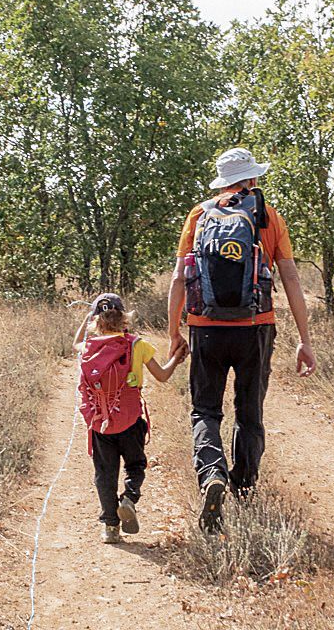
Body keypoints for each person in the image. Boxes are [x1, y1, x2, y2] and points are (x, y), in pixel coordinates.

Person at [167, 148, 316, 533]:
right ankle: (244, 488)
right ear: (252, 179)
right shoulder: (268, 216)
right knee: (249, 411)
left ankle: (212, 474)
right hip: (256, 326)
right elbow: (292, 279)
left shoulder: (199, 215)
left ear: (222, 180)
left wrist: (174, 333)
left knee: (205, 410)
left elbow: (178, 279)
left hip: (206, 326)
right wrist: (304, 338)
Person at [75, 293, 185, 543]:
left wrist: (85, 321)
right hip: (131, 419)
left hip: (100, 424)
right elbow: (163, 376)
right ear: (124, 318)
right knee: (135, 465)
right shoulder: (137, 345)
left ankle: (110, 528)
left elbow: (76, 343)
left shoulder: (88, 350)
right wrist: (177, 358)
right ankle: (129, 498)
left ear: (96, 321)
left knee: (105, 474)